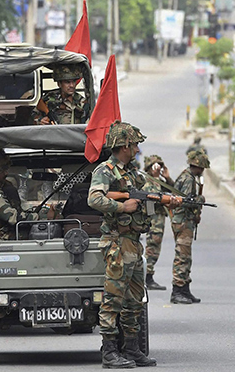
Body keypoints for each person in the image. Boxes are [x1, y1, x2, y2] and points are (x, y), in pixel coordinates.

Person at [87, 121, 156, 368]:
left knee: (135, 300)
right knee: (113, 298)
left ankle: (131, 348)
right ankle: (108, 351)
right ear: (124, 145)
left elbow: (147, 193)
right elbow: (94, 198)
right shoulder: (105, 171)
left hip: (133, 244)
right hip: (117, 243)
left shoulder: (132, 173)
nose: (137, 149)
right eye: (135, 144)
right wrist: (121, 206)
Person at [0, 150, 48, 241]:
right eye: (3, 170)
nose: (6, 174)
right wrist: (43, 217)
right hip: (3, 238)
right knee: (45, 234)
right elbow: (13, 217)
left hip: (1, 235)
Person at [169, 150, 209, 305]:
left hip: (185, 220)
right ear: (197, 166)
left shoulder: (189, 177)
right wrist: (200, 199)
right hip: (182, 221)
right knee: (182, 256)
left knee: (186, 256)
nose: (203, 171)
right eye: (202, 168)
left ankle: (185, 289)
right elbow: (184, 200)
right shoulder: (187, 179)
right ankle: (177, 291)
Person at [142, 154, 174, 291]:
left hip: (159, 218)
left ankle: (149, 275)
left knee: (156, 246)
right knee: (152, 245)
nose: (159, 168)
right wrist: (155, 177)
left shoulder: (159, 181)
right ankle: (147, 276)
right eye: (156, 165)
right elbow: (155, 196)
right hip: (152, 218)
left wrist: (166, 177)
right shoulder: (147, 181)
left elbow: (174, 189)